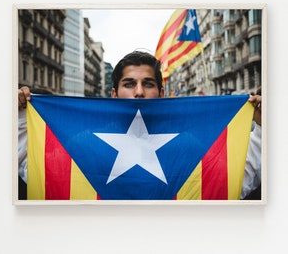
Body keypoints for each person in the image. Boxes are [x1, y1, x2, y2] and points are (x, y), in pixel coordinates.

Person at [18, 51, 262, 199]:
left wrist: (260, 128)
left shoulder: (189, 145)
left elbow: (234, 182)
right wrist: (20, 115)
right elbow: (38, 172)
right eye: (128, 84)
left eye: (147, 84)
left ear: (160, 92)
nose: (138, 92)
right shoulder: (83, 142)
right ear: (114, 93)